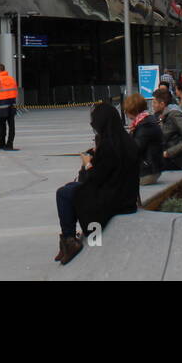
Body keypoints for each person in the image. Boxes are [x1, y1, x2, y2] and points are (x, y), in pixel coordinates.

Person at [53, 103, 139, 265]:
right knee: (69, 189)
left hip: (113, 199)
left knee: (64, 193)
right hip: (124, 195)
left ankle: (69, 239)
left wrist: (88, 163)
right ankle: (68, 239)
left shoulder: (109, 146)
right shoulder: (125, 140)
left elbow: (95, 178)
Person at [153, 87, 182, 169]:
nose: (153, 105)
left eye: (154, 102)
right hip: (166, 158)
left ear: (162, 104)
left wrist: (169, 153)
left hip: (173, 161)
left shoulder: (175, 115)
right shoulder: (160, 115)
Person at [125, 93, 164, 185]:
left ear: (131, 110)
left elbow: (134, 149)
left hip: (146, 173)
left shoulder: (145, 125)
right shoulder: (146, 121)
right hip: (151, 169)